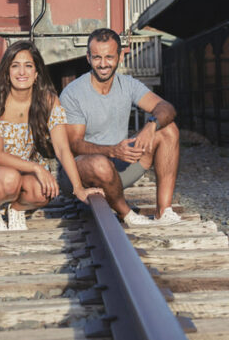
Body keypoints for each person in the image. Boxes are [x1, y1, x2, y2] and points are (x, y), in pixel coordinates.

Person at [0, 41, 103, 231]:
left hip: (26, 167)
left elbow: (61, 147)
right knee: (10, 179)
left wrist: (78, 188)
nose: (22, 72)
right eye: (15, 66)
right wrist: (36, 168)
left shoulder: (48, 101)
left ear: (36, 74)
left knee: (45, 191)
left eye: (28, 66)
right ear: (7, 73)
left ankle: (16, 209)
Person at [58, 28, 182, 226]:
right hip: (81, 176)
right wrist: (113, 151)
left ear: (120, 56)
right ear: (88, 58)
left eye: (109, 57)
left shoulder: (128, 84)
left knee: (168, 129)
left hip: (117, 171)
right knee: (100, 163)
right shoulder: (73, 93)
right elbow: (74, 145)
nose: (103, 64)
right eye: (97, 57)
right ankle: (127, 215)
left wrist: (151, 125)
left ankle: (163, 211)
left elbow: (166, 107)